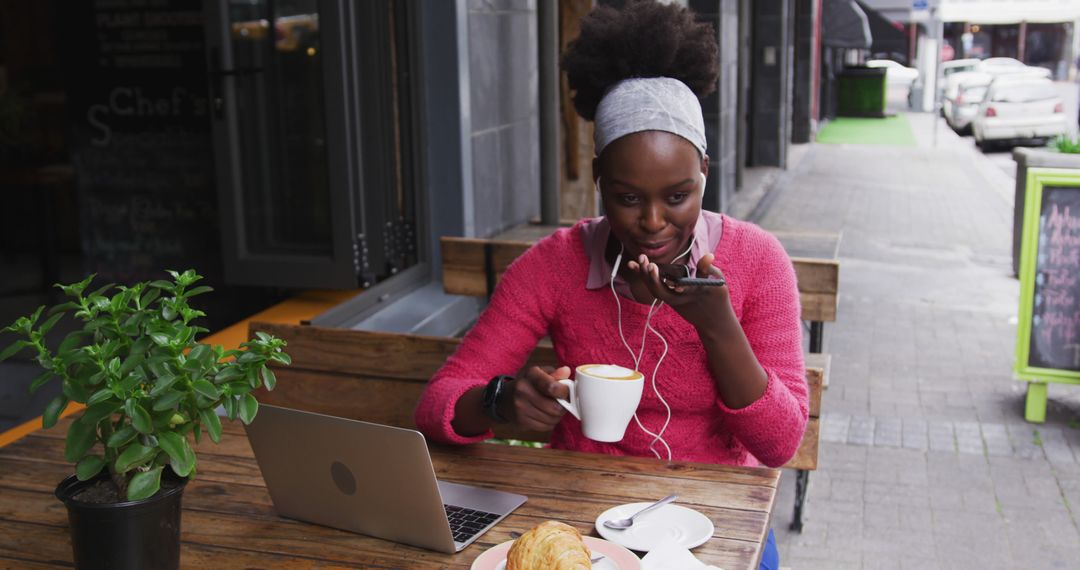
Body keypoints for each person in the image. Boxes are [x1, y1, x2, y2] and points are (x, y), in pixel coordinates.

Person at [415, 1, 805, 567]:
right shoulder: (554, 265)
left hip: (715, 515)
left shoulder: (758, 262)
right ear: (598, 181)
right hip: (581, 512)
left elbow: (780, 443)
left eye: (678, 196)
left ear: (704, 175)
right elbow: (436, 406)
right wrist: (501, 401)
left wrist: (718, 328)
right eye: (627, 198)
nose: (651, 222)